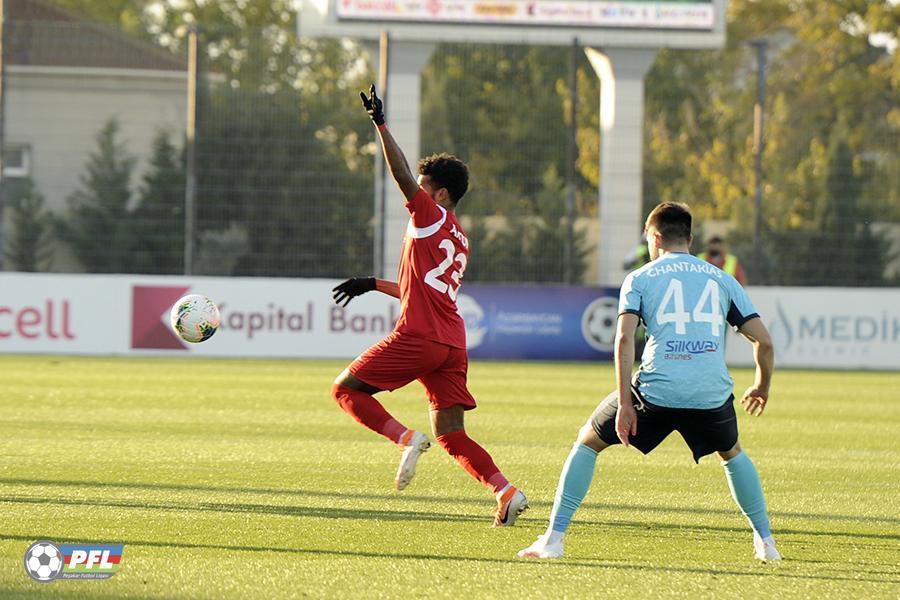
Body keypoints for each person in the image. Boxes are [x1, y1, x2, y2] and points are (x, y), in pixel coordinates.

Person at [518, 202, 781, 561]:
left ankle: (553, 539)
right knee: (732, 452)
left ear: (654, 237)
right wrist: (762, 386)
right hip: (710, 394)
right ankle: (766, 543)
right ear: (690, 238)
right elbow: (764, 342)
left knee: (587, 441)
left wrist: (626, 404)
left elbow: (625, 339)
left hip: (655, 392)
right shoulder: (722, 278)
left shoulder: (640, 278)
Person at [329, 85, 528, 527]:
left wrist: (381, 125)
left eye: (422, 190)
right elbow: (419, 290)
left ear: (440, 196)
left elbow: (400, 173)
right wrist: (372, 284)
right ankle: (506, 491)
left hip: (419, 337)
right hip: (451, 343)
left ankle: (405, 439)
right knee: (452, 434)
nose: (413, 198)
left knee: (345, 391)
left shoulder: (429, 216)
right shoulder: (460, 237)